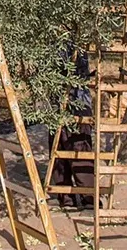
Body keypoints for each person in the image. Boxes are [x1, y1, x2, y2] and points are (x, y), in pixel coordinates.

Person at [49, 41, 97, 209]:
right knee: (59, 148)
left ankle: (88, 197)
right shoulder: (54, 40)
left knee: (79, 148)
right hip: (57, 103)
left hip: (77, 102)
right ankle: (67, 199)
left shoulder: (75, 41)